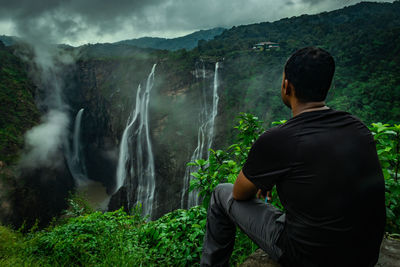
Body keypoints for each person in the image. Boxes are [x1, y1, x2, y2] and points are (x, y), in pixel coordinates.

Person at [200, 47, 386, 267]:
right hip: (364, 257)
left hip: (307, 257)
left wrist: (265, 175)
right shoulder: (359, 129)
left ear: (286, 86)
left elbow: (239, 193)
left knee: (222, 191)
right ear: (327, 86)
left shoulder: (278, 139)